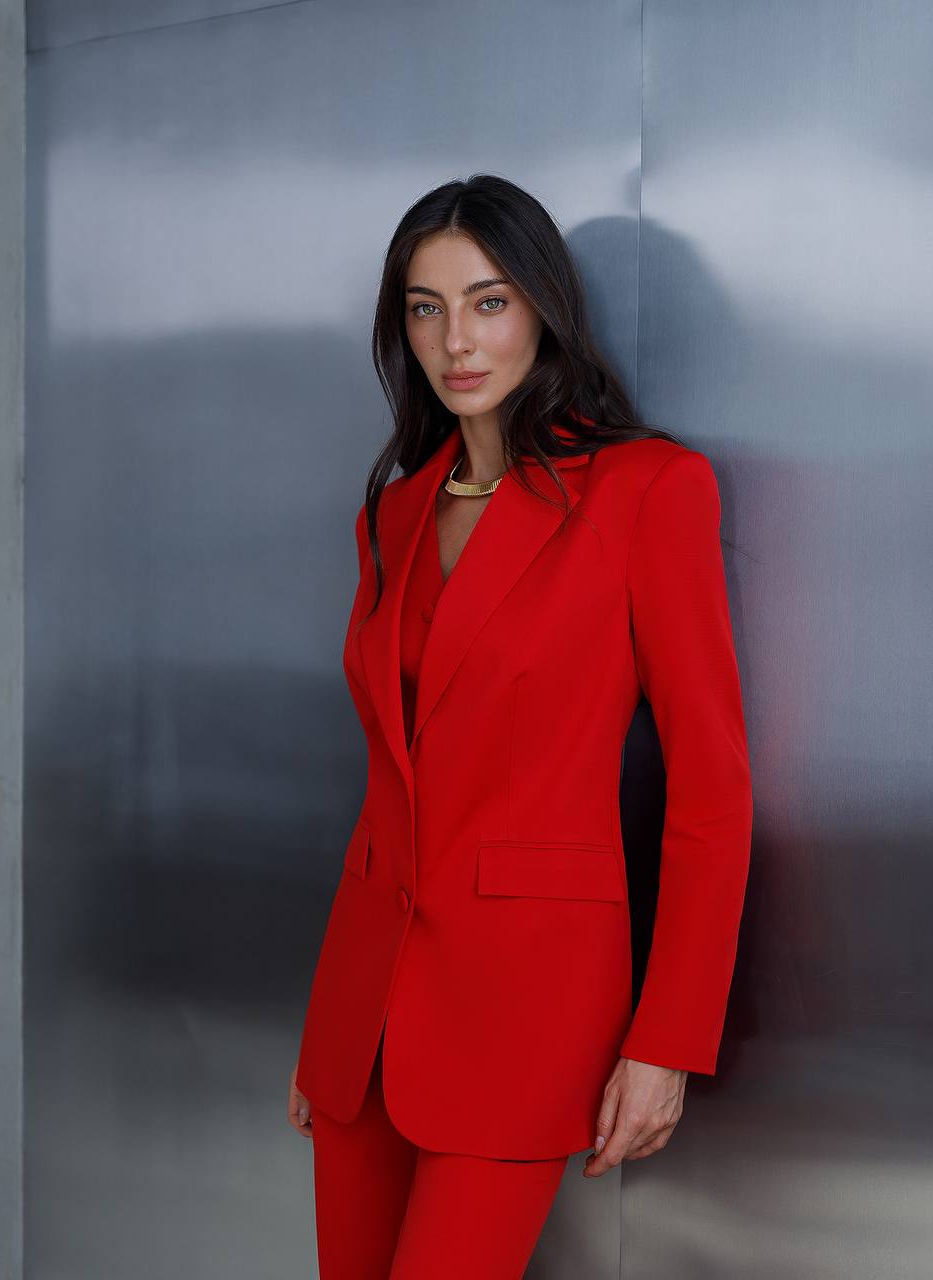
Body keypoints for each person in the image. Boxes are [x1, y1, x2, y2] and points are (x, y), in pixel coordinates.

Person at [287, 173, 754, 1279]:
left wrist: (666, 1038)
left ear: (543, 306)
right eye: (425, 305)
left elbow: (711, 783)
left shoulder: (646, 491)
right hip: (364, 1020)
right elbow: (389, 781)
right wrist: (329, 1022)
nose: (457, 338)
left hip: (527, 1012)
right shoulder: (397, 512)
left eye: (488, 301)